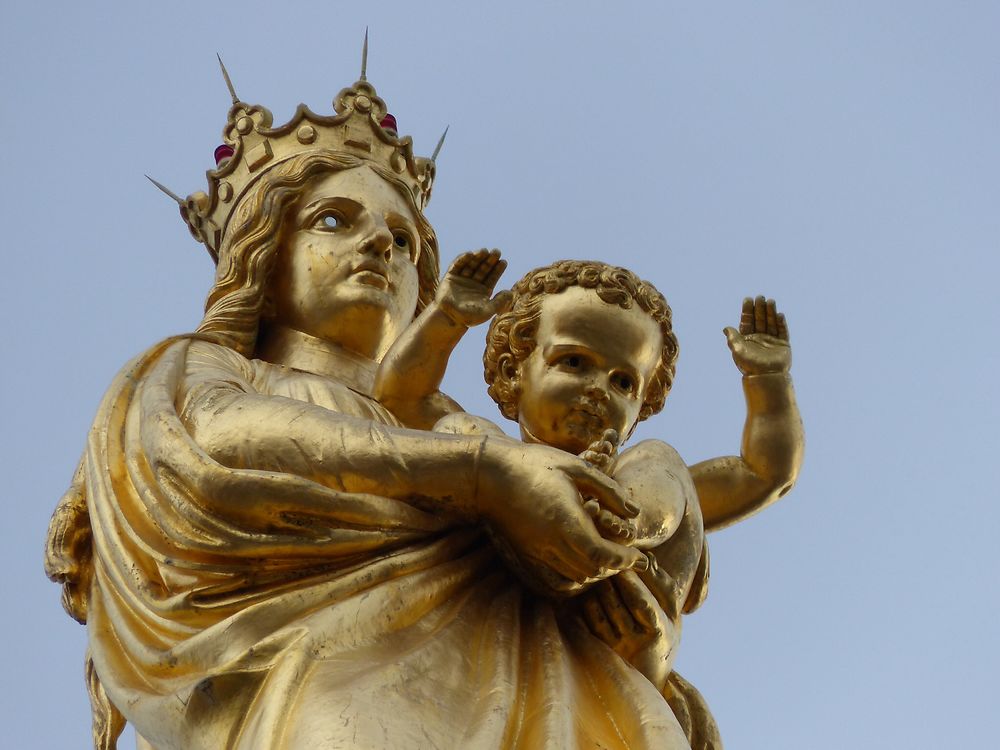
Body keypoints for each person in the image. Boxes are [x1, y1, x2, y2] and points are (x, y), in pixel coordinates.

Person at [45, 77, 702, 750]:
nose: (382, 247)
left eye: (403, 240)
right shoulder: (205, 368)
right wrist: (484, 476)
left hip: (537, 679)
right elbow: (211, 442)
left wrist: (618, 605)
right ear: (266, 257)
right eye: (334, 220)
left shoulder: (439, 419)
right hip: (331, 675)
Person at [376, 253, 804, 747]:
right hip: (491, 615)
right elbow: (401, 398)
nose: (599, 389)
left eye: (624, 382)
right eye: (575, 362)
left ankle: (616, 518)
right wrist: (446, 317)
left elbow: (764, 472)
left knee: (658, 458)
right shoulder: (487, 445)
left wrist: (767, 382)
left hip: (624, 629)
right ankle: (581, 518)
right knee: (460, 433)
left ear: (642, 404)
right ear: (516, 370)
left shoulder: (644, 465)